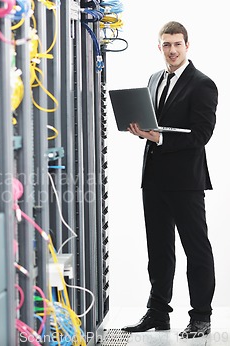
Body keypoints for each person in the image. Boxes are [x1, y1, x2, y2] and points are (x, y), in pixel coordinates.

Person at [121, 21, 217, 339]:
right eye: (166, 44)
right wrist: (143, 132)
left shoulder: (202, 84)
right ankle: (158, 313)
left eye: (177, 44)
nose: (172, 50)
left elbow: (201, 135)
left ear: (187, 46)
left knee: (196, 249)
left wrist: (159, 139)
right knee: (159, 250)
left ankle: (201, 316)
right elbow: (153, 125)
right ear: (159, 46)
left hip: (186, 181)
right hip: (154, 178)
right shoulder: (153, 79)